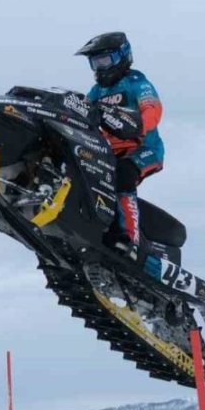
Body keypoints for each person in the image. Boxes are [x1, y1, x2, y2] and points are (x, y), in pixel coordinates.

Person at [76, 32, 164, 258]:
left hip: (144, 149)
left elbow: (152, 108)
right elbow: (82, 114)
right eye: (95, 62)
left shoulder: (137, 83)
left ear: (122, 56)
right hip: (110, 153)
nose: (100, 67)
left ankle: (129, 240)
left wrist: (139, 126)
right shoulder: (96, 92)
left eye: (105, 60)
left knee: (123, 175)